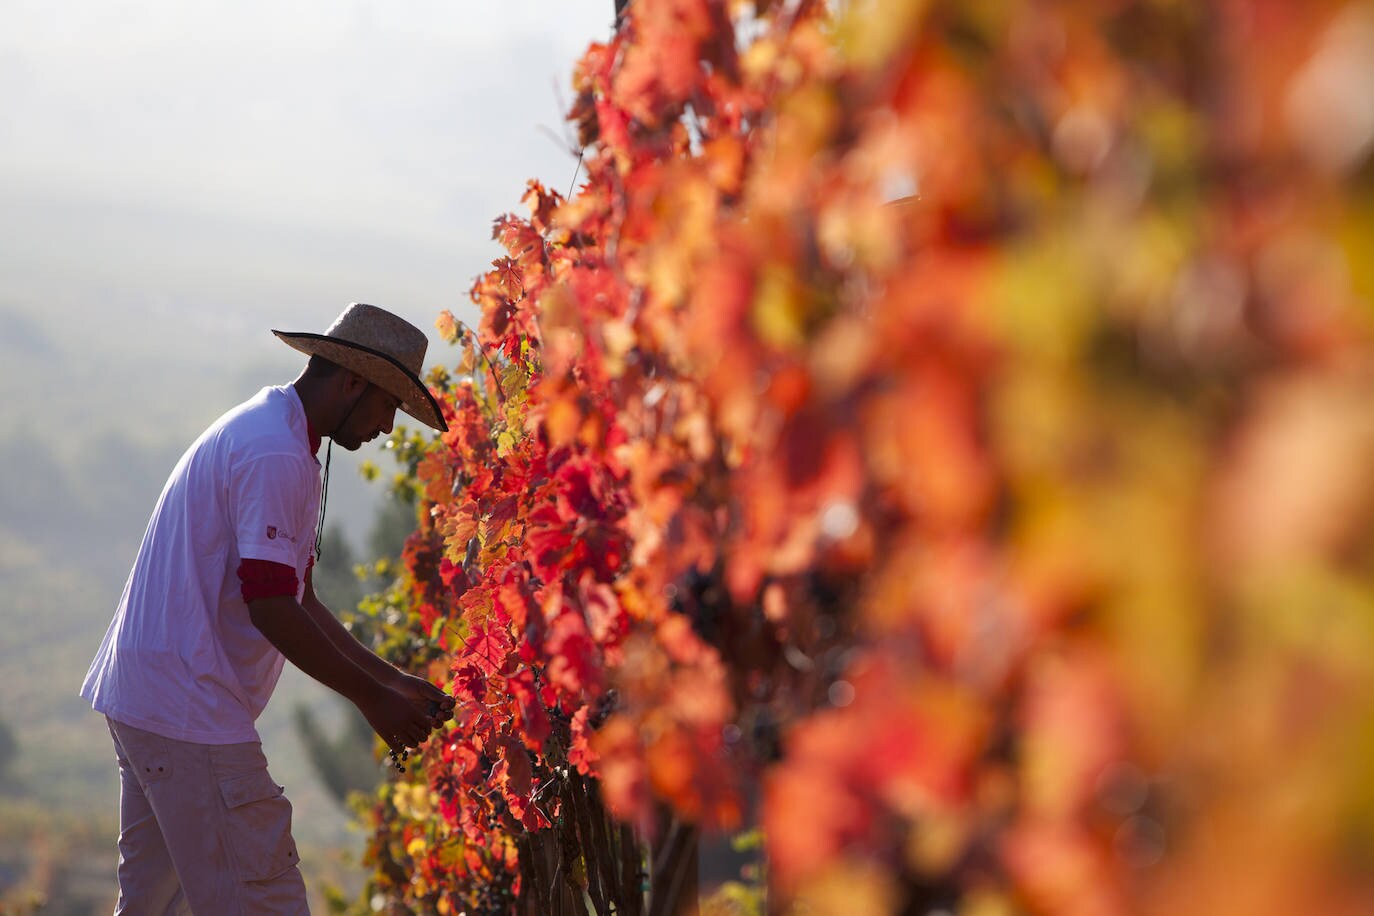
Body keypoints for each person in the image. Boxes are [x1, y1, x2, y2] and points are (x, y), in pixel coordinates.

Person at [80, 302, 457, 914]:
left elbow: (298, 596)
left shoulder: (272, 429)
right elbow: (273, 608)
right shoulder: (278, 454)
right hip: (188, 710)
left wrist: (394, 682)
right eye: (388, 404)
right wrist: (372, 699)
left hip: (148, 697)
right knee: (264, 900)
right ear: (353, 382)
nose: (388, 427)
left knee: (156, 905)